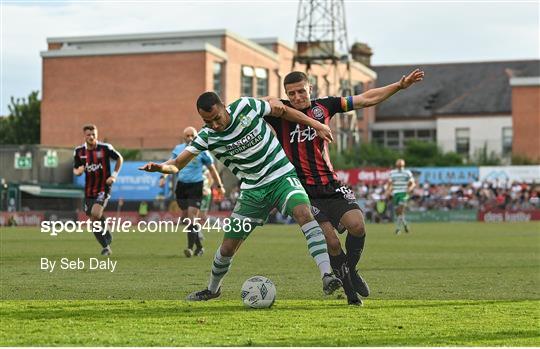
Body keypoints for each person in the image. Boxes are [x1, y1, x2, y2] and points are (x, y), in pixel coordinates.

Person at [140, 92, 342, 301]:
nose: (214, 125)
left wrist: (315, 124)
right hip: (253, 191)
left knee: (303, 212)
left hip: (281, 176)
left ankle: (326, 275)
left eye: (217, 118)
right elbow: (178, 164)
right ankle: (212, 289)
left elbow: (282, 110)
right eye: (207, 121)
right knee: (228, 248)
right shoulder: (207, 136)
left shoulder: (246, 106)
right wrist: (162, 168)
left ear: (224, 107)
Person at [265, 69, 424, 305]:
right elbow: (258, 104)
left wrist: (399, 86)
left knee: (357, 226)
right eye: (292, 93)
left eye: (301, 91)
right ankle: (351, 294)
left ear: (310, 88)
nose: (297, 96)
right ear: (286, 94)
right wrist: (272, 101)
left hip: (331, 184)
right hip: (304, 191)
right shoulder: (279, 113)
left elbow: (366, 99)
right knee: (332, 242)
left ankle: (351, 269)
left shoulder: (325, 106)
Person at [160, 127, 225, 257]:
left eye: (192, 135)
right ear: (184, 137)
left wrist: (219, 185)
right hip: (181, 187)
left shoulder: (202, 151)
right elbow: (171, 165)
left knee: (191, 219)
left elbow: (212, 170)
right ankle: (199, 247)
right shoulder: (178, 149)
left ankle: (189, 248)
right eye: (187, 135)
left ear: (196, 136)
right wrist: (163, 177)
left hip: (196, 186)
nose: (190, 138)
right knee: (185, 218)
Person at [73, 124, 123, 255]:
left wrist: (114, 175)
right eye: (88, 134)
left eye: (94, 134)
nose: (91, 137)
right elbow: (76, 167)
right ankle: (106, 243)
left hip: (103, 188)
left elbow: (119, 158)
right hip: (89, 191)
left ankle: (106, 247)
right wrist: (77, 171)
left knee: (95, 214)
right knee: (93, 220)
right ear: (84, 136)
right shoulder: (79, 151)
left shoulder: (105, 148)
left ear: (97, 135)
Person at [386, 159, 415, 234]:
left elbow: (412, 183)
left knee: (400, 210)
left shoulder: (407, 172)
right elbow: (389, 183)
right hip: (395, 194)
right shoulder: (392, 173)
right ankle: (405, 225)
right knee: (399, 213)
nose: (399, 167)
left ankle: (398, 229)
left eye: (400, 165)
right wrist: (388, 191)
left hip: (404, 194)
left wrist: (410, 189)